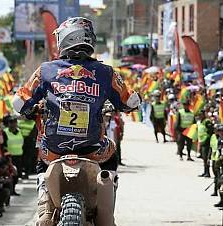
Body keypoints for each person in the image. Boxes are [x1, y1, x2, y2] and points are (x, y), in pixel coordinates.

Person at [11, 17, 141, 226]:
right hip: (93, 148)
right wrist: (131, 103)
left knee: (41, 160)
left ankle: (45, 205)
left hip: (53, 148)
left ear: (64, 39)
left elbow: (19, 102)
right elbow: (130, 101)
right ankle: (106, 210)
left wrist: (30, 109)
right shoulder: (106, 72)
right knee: (112, 152)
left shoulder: (45, 70)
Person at [2, 116, 24, 196]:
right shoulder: (5, 132)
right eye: (11, 122)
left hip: (19, 156)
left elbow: (22, 143)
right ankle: (10, 191)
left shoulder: (19, 131)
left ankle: (13, 190)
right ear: (8, 124)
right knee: (9, 174)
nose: (13, 124)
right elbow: (3, 145)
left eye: (15, 122)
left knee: (16, 175)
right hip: (9, 157)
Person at [197, 110, 213, 177]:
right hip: (201, 142)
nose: (200, 116)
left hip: (206, 142)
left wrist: (206, 140)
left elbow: (210, 131)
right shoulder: (200, 122)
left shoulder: (207, 121)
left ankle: (207, 172)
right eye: (199, 115)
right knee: (204, 158)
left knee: (206, 158)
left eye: (201, 114)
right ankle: (205, 171)